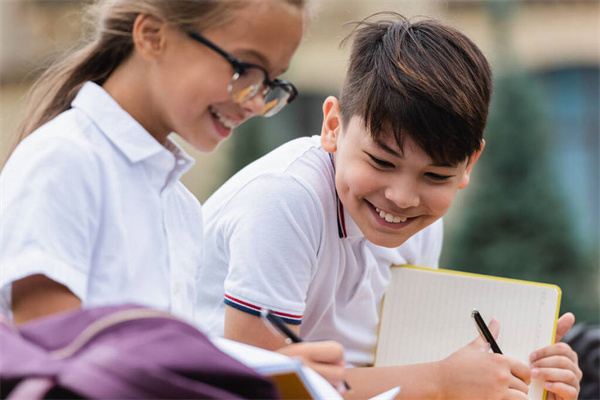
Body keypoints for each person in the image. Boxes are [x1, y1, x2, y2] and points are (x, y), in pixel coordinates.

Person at [196, 12, 583, 399]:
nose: (402, 197)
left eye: (436, 176)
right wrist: (444, 382)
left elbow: (392, 374)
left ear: (470, 165)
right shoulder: (286, 198)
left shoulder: (420, 222)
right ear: (332, 125)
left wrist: (529, 379)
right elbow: (256, 388)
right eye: (381, 162)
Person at [0, 0, 346, 388]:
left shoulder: (180, 207)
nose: (253, 100)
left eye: (270, 83)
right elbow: (52, 367)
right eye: (244, 68)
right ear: (151, 36)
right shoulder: (64, 161)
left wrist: (264, 372)